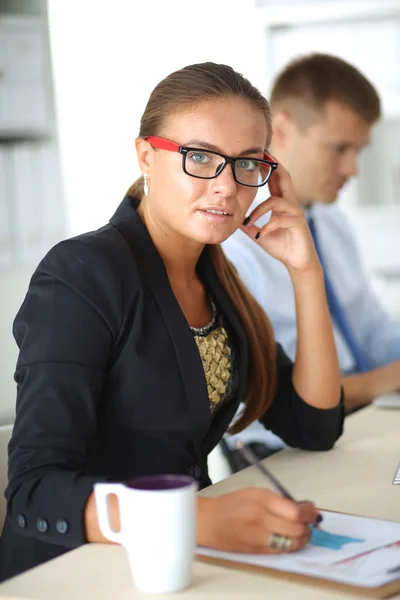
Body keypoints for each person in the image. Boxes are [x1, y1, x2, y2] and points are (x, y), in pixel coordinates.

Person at [0, 62, 343, 581]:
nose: (227, 187)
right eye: (200, 157)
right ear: (146, 157)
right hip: (71, 572)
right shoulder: (82, 274)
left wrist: (307, 272)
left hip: (176, 568)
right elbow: (34, 489)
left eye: (247, 164)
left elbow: (314, 426)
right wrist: (194, 517)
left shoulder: (219, 283)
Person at [223, 53, 400, 421]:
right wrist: (379, 382)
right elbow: (258, 393)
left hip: (363, 419)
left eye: (358, 151)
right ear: (282, 130)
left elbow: (372, 330)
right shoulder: (231, 242)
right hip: (285, 446)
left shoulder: (333, 223)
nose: (352, 169)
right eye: (339, 149)